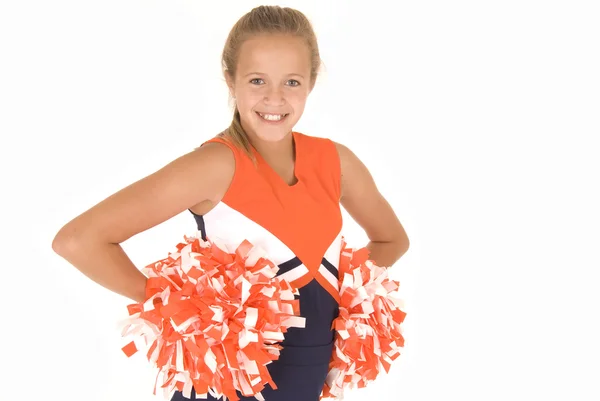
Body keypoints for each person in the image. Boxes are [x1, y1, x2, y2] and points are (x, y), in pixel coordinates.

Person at [52, 5, 409, 401]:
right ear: (230, 80)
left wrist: (351, 296)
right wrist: (186, 309)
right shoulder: (214, 165)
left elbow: (392, 240)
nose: (274, 98)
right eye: (257, 80)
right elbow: (78, 240)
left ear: (311, 82)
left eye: (291, 82)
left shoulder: (336, 162)